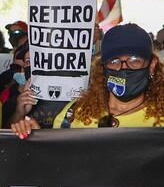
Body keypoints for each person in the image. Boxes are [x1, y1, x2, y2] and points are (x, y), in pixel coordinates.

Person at [12, 24, 164, 136]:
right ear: (102, 68)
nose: (124, 68)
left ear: (152, 65)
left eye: (135, 60)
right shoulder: (73, 114)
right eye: (114, 61)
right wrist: (39, 139)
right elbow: (59, 162)